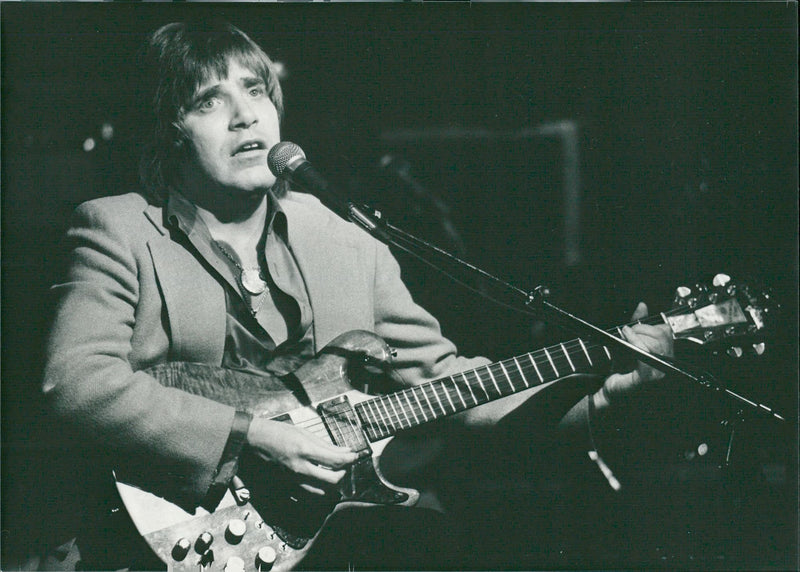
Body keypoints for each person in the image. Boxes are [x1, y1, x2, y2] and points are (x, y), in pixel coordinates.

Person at [41, 20, 673, 571]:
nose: (245, 115)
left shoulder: (344, 239)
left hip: (331, 545)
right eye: (209, 100)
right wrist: (251, 437)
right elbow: (78, 382)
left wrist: (612, 389)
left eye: (256, 90)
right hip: (145, 540)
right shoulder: (120, 227)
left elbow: (453, 389)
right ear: (169, 129)